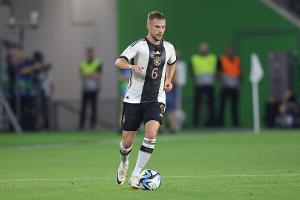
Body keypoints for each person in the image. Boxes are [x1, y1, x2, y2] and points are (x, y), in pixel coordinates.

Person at [114, 11, 176, 189]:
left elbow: (172, 62)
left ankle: (136, 174)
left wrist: (169, 80)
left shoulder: (169, 47)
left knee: (151, 135)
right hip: (133, 99)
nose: (160, 30)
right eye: (157, 26)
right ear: (148, 26)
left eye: (163, 27)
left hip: (156, 99)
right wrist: (130, 65)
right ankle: (124, 161)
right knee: (127, 142)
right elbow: (118, 61)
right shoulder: (139, 46)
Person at [190, 42, 217, 128]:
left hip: (209, 85)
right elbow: (191, 71)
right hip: (199, 85)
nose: (204, 50)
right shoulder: (194, 58)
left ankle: (212, 122)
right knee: (197, 105)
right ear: (199, 49)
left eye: (205, 48)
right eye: (202, 48)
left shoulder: (213, 58)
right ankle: (196, 123)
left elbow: (217, 70)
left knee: (211, 105)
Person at [217, 46, 242, 127]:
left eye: (231, 50)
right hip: (225, 86)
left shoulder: (237, 59)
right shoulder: (221, 59)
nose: (230, 52)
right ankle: (220, 123)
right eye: (228, 51)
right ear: (225, 51)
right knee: (222, 106)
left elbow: (240, 71)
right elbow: (219, 72)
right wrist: (221, 83)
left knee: (234, 106)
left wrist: (239, 82)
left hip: (234, 86)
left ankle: (235, 123)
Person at [78, 47, 102, 130]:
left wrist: (87, 74)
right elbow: (81, 75)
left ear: (93, 54)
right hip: (85, 88)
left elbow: (97, 75)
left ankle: (92, 126)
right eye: (88, 53)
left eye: (91, 53)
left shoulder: (97, 62)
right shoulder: (83, 63)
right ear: (86, 54)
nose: (90, 54)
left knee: (93, 108)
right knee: (83, 107)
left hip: (94, 88)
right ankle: (81, 126)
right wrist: (92, 73)